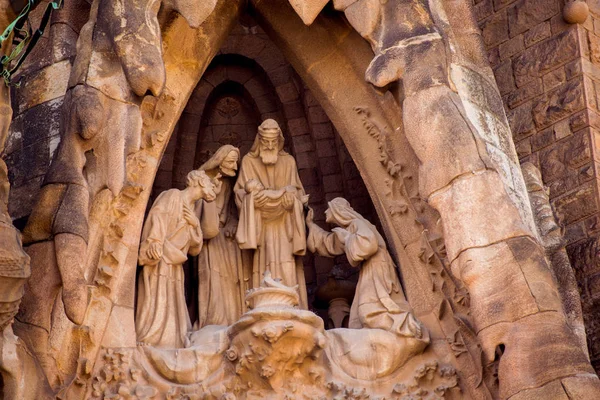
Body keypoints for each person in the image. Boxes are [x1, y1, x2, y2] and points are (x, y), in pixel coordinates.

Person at [306, 198, 423, 338]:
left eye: (329, 208)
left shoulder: (357, 223)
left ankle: (404, 329)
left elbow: (368, 246)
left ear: (338, 211)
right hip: (370, 268)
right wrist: (309, 225)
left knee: (369, 308)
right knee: (366, 310)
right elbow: (329, 243)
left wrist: (347, 238)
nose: (325, 211)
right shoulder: (350, 228)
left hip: (376, 267)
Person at [136, 169, 216, 348]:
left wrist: (195, 226)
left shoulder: (192, 211)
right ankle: (149, 336)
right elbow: (158, 215)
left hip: (174, 263)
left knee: (170, 299)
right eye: (210, 183)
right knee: (157, 297)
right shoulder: (173, 196)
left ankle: (169, 341)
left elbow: (195, 249)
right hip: (160, 258)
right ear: (201, 182)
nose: (213, 188)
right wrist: (155, 241)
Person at [234, 119, 309, 308]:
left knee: (287, 267)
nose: (269, 146)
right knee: (263, 265)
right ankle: (264, 304)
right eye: (265, 141)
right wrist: (250, 200)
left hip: (285, 224)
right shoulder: (249, 162)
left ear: (279, 141)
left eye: (273, 142)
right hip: (261, 225)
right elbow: (239, 193)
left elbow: (299, 193)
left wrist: (292, 201)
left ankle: (291, 306)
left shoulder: (288, 161)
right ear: (259, 140)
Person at [196, 145, 250, 327]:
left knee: (232, 278)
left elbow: (234, 211)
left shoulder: (230, 184)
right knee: (212, 278)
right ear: (219, 161)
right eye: (230, 161)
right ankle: (213, 319)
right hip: (208, 237)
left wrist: (233, 223)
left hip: (225, 237)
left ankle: (233, 317)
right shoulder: (202, 180)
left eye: (236, 162)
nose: (235, 166)